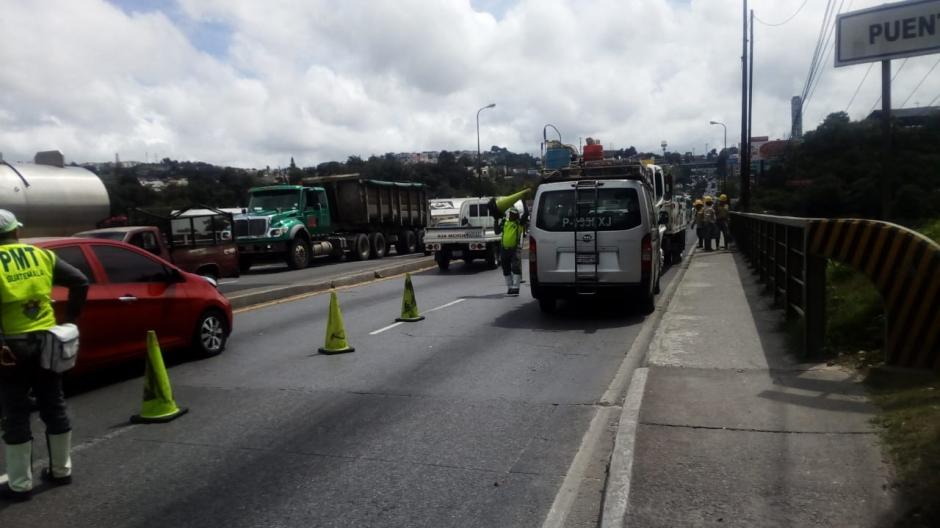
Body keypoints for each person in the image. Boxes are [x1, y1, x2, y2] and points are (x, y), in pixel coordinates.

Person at [0, 209, 88, 502]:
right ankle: (62, 470)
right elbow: (79, 281)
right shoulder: (41, 255)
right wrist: (71, 321)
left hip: (10, 346)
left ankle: (20, 485)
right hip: (48, 341)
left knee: (15, 412)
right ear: (16, 232)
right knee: (54, 403)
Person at [495, 207, 524, 295]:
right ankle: (510, 287)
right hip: (504, 249)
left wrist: (523, 202)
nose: (511, 215)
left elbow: (526, 214)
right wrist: (496, 220)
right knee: (505, 268)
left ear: (517, 216)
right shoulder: (505, 222)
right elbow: (497, 231)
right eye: (510, 213)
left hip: (514, 249)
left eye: (513, 213)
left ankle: (516, 288)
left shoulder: (519, 224)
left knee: (515, 267)